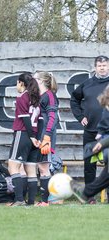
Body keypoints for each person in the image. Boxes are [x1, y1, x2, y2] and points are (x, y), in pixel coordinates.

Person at [70, 55, 109, 204]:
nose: (102, 68)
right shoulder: (87, 84)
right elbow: (74, 99)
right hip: (91, 131)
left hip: (107, 133)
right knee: (89, 165)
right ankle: (89, 196)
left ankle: (88, 193)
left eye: (105, 65)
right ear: (95, 67)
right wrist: (80, 117)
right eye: (99, 65)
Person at [7, 73, 41, 206]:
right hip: (34, 135)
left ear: (21, 83)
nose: (16, 86)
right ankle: (31, 202)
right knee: (31, 169)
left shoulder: (22, 97)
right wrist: (37, 137)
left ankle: (20, 199)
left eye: (17, 83)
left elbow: (25, 118)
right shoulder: (36, 97)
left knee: (12, 166)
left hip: (23, 134)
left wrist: (32, 136)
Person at [34, 71, 60, 206]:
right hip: (36, 136)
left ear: (41, 81)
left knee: (44, 168)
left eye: (34, 79)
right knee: (36, 166)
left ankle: (45, 201)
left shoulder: (49, 96)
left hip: (45, 137)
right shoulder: (39, 96)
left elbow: (52, 117)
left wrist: (47, 137)